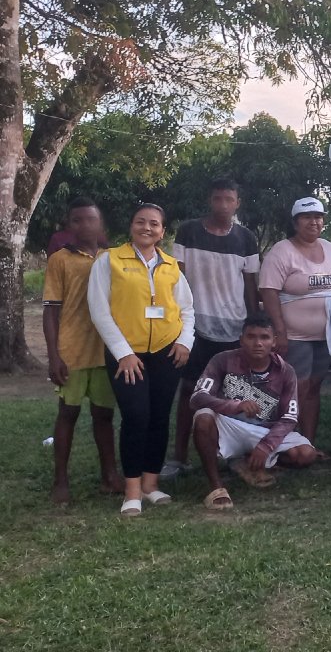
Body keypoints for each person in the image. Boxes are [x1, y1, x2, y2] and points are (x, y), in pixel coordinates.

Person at [88, 203, 195, 515]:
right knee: (136, 417)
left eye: (154, 224)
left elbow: (186, 309)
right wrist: (123, 353)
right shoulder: (109, 261)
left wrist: (185, 342)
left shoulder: (171, 266)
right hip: (127, 355)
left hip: (166, 352)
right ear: (131, 226)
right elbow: (99, 311)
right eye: (140, 222)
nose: (147, 228)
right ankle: (131, 490)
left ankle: (151, 484)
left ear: (162, 231)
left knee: (160, 417)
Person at [166, 178, 261, 479]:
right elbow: (176, 277)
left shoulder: (246, 239)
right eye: (218, 199)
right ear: (210, 200)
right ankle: (180, 456)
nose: (223, 205)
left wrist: (252, 322)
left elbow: (251, 285)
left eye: (229, 200)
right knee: (189, 391)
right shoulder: (188, 231)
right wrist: (180, 320)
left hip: (234, 328)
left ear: (237, 203)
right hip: (195, 326)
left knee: (237, 392)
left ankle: (233, 454)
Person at [259, 197, 331, 447]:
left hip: (325, 336)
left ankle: (307, 443)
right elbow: (269, 291)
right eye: (306, 217)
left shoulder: (329, 248)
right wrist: (279, 331)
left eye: (318, 217)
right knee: (295, 390)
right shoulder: (282, 251)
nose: (313, 222)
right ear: (295, 223)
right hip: (295, 336)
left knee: (314, 388)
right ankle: (283, 443)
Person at [189, 314, 317, 510]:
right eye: (251, 337)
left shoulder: (285, 371)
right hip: (229, 424)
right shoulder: (222, 360)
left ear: (274, 342)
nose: (258, 343)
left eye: (264, 337)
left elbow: (290, 417)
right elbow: (197, 397)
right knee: (203, 417)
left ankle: (248, 462)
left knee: (305, 454)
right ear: (241, 340)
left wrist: (266, 445)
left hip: (265, 429)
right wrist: (235, 405)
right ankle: (216, 487)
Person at [43, 197, 122, 504]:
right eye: (77, 220)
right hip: (72, 352)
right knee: (68, 414)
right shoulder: (60, 260)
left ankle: (109, 476)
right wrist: (53, 355)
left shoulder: (113, 258)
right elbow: (51, 311)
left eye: (90, 219)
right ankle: (60, 481)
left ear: (100, 223)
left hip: (105, 351)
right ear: (69, 224)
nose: (85, 225)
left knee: (104, 416)